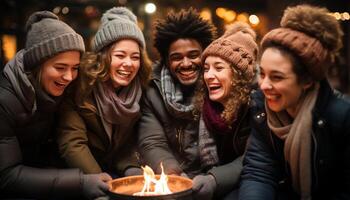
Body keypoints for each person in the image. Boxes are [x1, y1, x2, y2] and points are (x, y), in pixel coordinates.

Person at [239, 4, 350, 200]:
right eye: (262, 74)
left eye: (277, 77)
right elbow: (259, 170)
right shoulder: (260, 108)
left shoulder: (341, 117)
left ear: (307, 80)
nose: (263, 85)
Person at [0, 11, 111, 199]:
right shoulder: (6, 100)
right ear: (37, 64)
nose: (69, 77)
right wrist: (80, 182)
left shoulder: (62, 90)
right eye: (60, 67)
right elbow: (6, 176)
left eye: (75, 68)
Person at [56, 7, 152, 178]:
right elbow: (73, 142)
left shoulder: (141, 89)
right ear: (102, 56)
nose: (129, 63)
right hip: (81, 176)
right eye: (120, 55)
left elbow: (131, 143)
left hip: (119, 172)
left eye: (135, 57)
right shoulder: (80, 85)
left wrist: (131, 168)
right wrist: (98, 178)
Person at [137, 8, 216, 178]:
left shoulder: (219, 87)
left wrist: (214, 179)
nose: (186, 63)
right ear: (166, 60)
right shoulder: (152, 90)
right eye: (177, 58)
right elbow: (152, 142)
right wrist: (174, 175)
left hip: (214, 179)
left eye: (193, 55)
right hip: (173, 177)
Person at [191, 22, 258, 200]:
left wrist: (215, 180)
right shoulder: (207, 107)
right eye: (206, 69)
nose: (208, 75)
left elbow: (253, 159)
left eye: (218, 68)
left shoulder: (257, 105)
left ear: (238, 74)